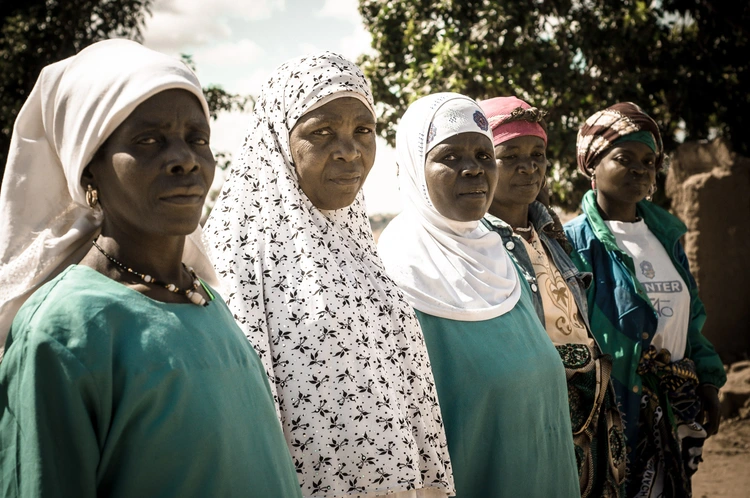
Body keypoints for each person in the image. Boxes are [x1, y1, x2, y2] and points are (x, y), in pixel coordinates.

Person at [0, 39, 302, 497]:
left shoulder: (206, 300)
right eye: (148, 141)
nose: (185, 159)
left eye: (197, 139)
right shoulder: (63, 331)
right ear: (89, 173)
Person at [203, 52, 454, 498]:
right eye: (322, 131)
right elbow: (245, 416)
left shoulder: (353, 243)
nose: (350, 150)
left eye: (363, 130)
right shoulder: (239, 250)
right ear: (278, 139)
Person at [378, 92, 579, 498]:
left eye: (484, 156)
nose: (473, 170)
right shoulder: (395, 280)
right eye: (450, 157)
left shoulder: (500, 258)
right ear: (416, 168)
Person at [564, 102, 727, 497]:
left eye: (649, 161)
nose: (640, 169)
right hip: (613, 411)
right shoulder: (571, 244)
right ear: (592, 165)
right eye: (624, 158)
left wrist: (707, 379)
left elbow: (691, 318)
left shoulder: (666, 237)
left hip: (674, 405)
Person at [478, 96, 626, 497]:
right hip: (534, 417)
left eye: (538, 154)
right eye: (510, 156)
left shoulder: (550, 233)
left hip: (591, 415)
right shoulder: (475, 246)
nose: (529, 167)